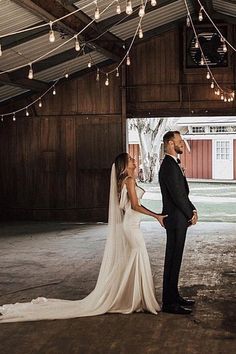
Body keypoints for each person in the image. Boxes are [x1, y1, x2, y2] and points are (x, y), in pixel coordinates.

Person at [0, 153, 167, 322]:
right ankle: (136, 299)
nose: (134, 160)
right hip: (131, 227)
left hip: (131, 225)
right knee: (138, 257)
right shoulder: (129, 181)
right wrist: (156, 216)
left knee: (135, 259)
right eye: (130, 159)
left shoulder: (127, 180)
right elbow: (135, 205)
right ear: (124, 164)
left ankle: (132, 298)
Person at [159, 131, 198, 315]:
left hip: (178, 218)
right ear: (169, 143)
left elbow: (184, 193)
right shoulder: (167, 165)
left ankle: (174, 296)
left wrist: (193, 209)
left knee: (176, 259)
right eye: (179, 141)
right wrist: (190, 213)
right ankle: (169, 303)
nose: (182, 143)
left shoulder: (174, 164)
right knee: (172, 260)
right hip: (174, 219)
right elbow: (176, 196)